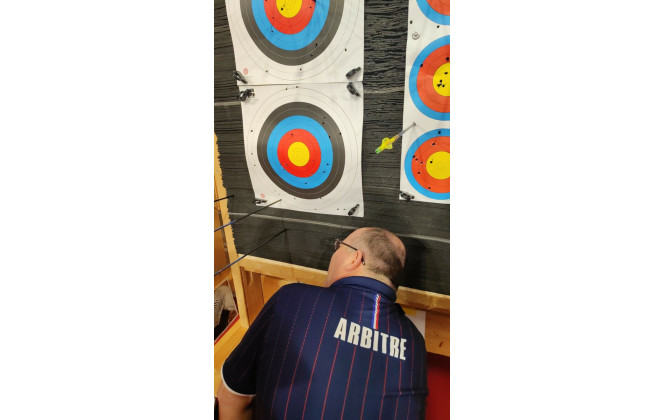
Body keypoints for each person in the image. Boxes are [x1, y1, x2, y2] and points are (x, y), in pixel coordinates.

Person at [217, 227, 428, 419]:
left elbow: (232, 397)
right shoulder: (415, 341)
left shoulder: (293, 299)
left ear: (355, 258)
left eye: (339, 246)